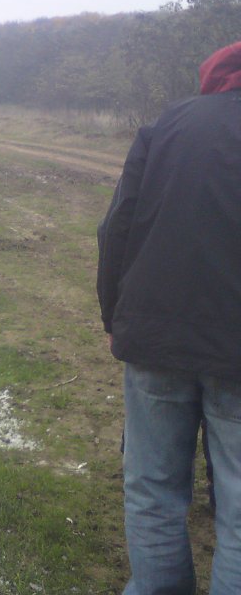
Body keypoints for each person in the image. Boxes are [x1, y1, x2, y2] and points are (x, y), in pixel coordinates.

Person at [97, 39, 241, 593]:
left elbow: (117, 227)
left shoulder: (167, 125)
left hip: (154, 338)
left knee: (153, 492)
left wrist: (115, 318)